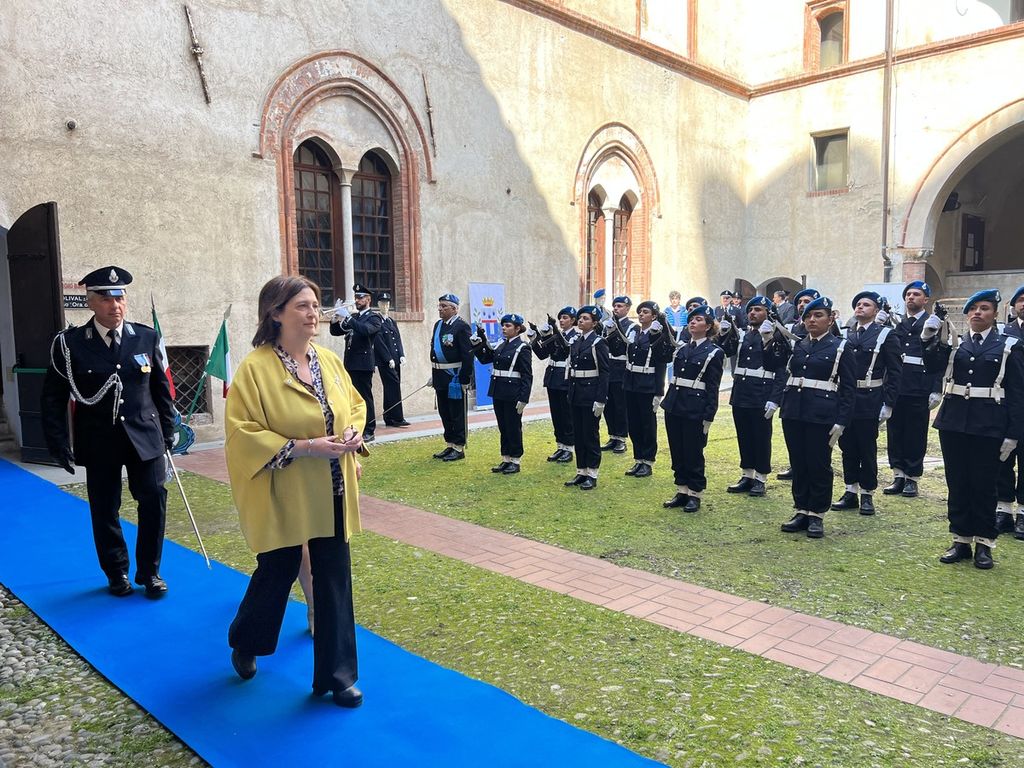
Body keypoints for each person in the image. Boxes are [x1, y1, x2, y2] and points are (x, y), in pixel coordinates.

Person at [225, 275, 366, 707]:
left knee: (334, 577)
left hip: (332, 487)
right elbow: (242, 433)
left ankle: (337, 677)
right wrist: (304, 447)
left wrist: (353, 433)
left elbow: (355, 405)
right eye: (303, 306)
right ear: (276, 313)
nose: (313, 314)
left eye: (315, 305)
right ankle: (247, 640)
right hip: (283, 489)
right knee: (278, 570)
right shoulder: (255, 369)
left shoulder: (329, 361)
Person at [41, 266, 176, 598]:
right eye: (105, 299)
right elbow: (53, 397)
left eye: (120, 298)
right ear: (90, 302)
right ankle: (117, 572)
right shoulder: (70, 344)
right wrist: (58, 442)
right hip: (99, 438)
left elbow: (161, 390)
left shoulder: (146, 337)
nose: (115, 305)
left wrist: (169, 430)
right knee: (104, 508)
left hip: (144, 435)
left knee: (154, 500)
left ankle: (150, 572)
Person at [922, 289, 1024, 570]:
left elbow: (1017, 393)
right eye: (974, 309)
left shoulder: (1009, 345)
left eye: (984, 308)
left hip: (989, 424)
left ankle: (984, 543)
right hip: (954, 423)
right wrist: (928, 338)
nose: (978, 313)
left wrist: (1013, 433)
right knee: (958, 483)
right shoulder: (955, 343)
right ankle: (961, 539)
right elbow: (932, 366)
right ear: (967, 315)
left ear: (995, 314)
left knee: (984, 485)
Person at [778, 296, 857, 538]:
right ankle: (801, 509)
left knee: (818, 464)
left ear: (830, 319)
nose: (812, 320)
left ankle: (817, 514)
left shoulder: (841, 347)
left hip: (821, 414)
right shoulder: (799, 345)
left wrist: (842, 421)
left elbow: (849, 388)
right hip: (794, 412)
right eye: (808, 316)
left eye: (818, 315)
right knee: (798, 462)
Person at [830, 292, 903, 516]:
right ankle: (850, 491)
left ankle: (867, 493)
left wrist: (889, 403)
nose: (860, 307)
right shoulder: (846, 334)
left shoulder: (885, 334)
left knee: (867, 448)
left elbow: (895, 372)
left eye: (866, 304)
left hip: (870, 397)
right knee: (847, 446)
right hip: (846, 397)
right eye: (858, 304)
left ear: (876, 310)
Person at [719, 296, 789, 497]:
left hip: (762, 394)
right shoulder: (743, 335)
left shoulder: (776, 336)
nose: (752, 313)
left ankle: (760, 477)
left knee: (761, 437)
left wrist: (775, 399)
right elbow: (725, 350)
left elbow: (781, 371)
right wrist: (723, 333)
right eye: (750, 310)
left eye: (758, 310)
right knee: (744, 435)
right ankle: (747, 474)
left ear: (768, 313)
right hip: (742, 392)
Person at [661, 304, 723, 512]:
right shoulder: (682, 349)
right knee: (677, 450)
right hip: (674, 404)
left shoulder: (714, 352)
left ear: (708, 326)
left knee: (693, 451)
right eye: (691, 319)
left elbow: (713, 387)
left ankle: (695, 493)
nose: (693, 323)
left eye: (698, 320)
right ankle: (681, 490)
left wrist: (709, 415)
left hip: (695, 407)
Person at [883, 280, 942, 499]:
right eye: (908, 294)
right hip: (897, 386)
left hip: (920, 386)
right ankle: (898, 474)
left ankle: (912, 478)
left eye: (916, 294)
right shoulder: (898, 324)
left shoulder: (933, 323)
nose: (911, 297)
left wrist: (937, 388)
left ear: (925, 299)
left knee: (915, 434)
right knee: (895, 431)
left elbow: (939, 358)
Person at [471, 313, 534, 473]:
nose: (504, 328)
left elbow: (527, 375)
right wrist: (478, 345)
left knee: (513, 427)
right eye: (503, 325)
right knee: (503, 426)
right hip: (498, 390)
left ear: (517, 329)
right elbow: (486, 359)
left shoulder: (523, 347)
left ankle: (515, 460)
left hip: (513, 393)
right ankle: (506, 458)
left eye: (508, 326)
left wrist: (524, 398)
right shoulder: (501, 344)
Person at [775, 287, 821, 480]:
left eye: (807, 302)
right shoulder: (793, 328)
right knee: (794, 432)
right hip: (795, 387)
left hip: (817, 388)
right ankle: (795, 466)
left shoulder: (826, 328)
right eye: (800, 302)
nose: (802, 305)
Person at [622, 300, 671, 477]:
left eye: (645, 312)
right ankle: (638, 458)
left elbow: (661, 364)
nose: (641, 314)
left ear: (654, 316)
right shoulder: (634, 331)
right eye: (640, 312)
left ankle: (648, 461)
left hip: (647, 385)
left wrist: (659, 392)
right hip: (631, 383)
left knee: (647, 424)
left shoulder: (657, 334)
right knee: (633, 423)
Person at [564, 305, 610, 490]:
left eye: (586, 318)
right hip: (576, 393)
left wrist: (601, 399)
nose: (581, 321)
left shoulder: (598, 342)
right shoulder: (576, 341)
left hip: (590, 394)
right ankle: (581, 470)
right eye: (580, 318)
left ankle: (592, 473)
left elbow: (604, 372)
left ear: (595, 323)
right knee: (579, 434)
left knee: (590, 434)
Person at [330, 284, 382, 442]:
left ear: (368, 299)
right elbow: (336, 332)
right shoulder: (356, 317)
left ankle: (369, 430)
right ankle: (355, 427)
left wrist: (347, 317)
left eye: (360, 297)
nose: (357, 300)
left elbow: (365, 331)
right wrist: (335, 317)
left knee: (365, 398)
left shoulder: (374, 318)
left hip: (364, 364)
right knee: (351, 398)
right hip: (351, 362)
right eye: (356, 298)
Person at [430, 293, 474, 461]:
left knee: (456, 412)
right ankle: (450, 444)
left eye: (444, 306)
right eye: (439, 306)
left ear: (454, 309)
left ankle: (459, 447)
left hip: (454, 377)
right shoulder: (438, 325)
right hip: (440, 376)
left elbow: (467, 355)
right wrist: (433, 375)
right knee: (445, 412)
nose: (440, 309)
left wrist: (465, 379)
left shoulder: (461, 327)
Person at [533, 306, 579, 463]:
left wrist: (554, 330)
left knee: (567, 415)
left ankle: (569, 448)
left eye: (565, 317)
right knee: (556, 414)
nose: (561, 320)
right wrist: (535, 338)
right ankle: (560, 446)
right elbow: (542, 354)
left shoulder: (576, 335)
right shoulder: (555, 335)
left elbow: (567, 348)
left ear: (573, 320)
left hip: (565, 378)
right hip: (553, 378)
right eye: (560, 318)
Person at [997, 284, 1024, 540]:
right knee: (1002, 459)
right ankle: (1003, 509)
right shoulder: (1003, 333)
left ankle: (1023, 513)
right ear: (1014, 305)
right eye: (1021, 300)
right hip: (1006, 405)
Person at [599, 294, 636, 454]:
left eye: (620, 306)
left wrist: (615, 329)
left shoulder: (632, 326)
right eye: (615, 306)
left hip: (621, 368)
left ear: (627, 309)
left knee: (620, 405)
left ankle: (621, 438)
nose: (616, 309)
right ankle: (612, 435)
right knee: (608, 405)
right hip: (607, 367)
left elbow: (627, 345)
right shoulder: (606, 325)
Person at [373, 291, 410, 428]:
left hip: (396, 360)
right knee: (393, 387)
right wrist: (388, 358)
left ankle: (388, 417)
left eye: (387, 304)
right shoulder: (377, 321)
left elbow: (397, 339)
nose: (385, 306)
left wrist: (401, 355)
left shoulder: (391, 321)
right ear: (378, 304)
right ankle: (397, 418)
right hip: (385, 361)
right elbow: (379, 342)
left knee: (392, 387)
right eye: (383, 303)